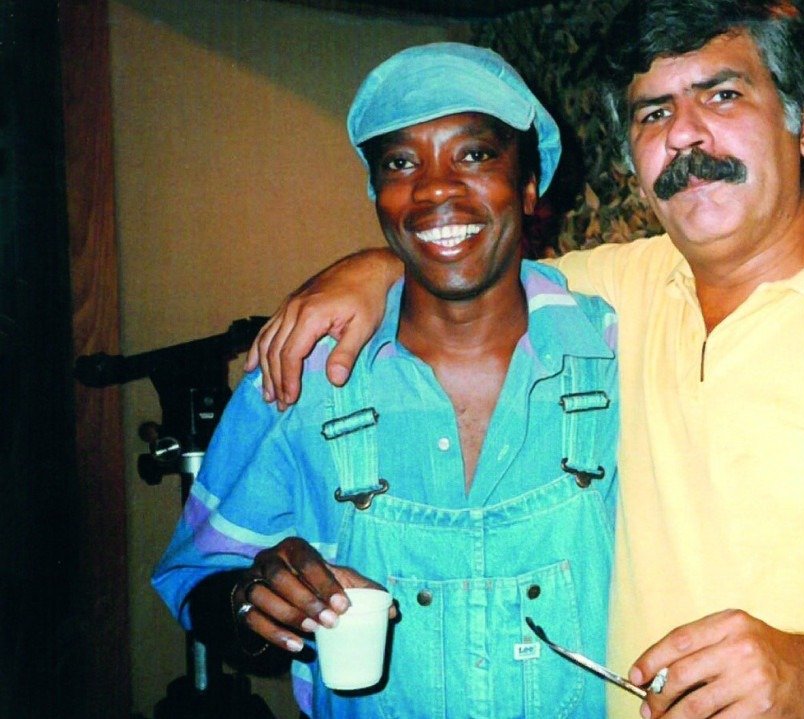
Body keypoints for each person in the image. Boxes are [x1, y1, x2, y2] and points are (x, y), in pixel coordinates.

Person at [247, 2, 804, 718]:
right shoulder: (609, 295)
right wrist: (376, 268)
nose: (685, 135)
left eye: (722, 95)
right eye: (654, 112)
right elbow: (466, 260)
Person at [152, 43, 620, 718]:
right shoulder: (304, 375)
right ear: (378, 196)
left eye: (475, 154)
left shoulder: (616, 355)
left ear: (529, 184)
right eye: (402, 163)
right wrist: (252, 603)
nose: (434, 188)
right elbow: (194, 577)